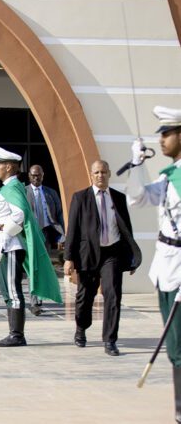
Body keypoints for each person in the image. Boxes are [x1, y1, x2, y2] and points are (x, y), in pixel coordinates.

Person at [126, 105, 181, 421]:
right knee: (174, 343)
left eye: (167, 133)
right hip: (166, 268)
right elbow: (137, 198)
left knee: (179, 344)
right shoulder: (169, 177)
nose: (161, 139)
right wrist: (136, 164)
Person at [0, 146, 61, 347]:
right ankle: (13, 332)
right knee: (6, 291)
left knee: (13, 291)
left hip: (11, 246)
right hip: (1, 245)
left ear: (9, 166)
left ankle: (17, 334)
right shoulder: (5, 189)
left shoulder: (13, 188)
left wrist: (6, 232)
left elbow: (20, 214)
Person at [64, 160, 140, 356]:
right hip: (88, 254)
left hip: (112, 254)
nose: (100, 175)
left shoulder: (119, 198)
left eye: (103, 172)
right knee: (85, 297)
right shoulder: (80, 198)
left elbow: (127, 230)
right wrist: (68, 258)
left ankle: (110, 340)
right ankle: (81, 328)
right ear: (91, 175)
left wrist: (131, 256)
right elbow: (72, 229)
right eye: (97, 172)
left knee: (113, 295)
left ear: (109, 174)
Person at [25, 164, 65, 316]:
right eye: (34, 175)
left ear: (43, 176)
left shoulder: (50, 193)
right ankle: (34, 302)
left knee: (43, 267)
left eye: (39, 175)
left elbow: (59, 214)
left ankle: (39, 298)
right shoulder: (24, 192)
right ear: (29, 176)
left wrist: (62, 235)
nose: (36, 178)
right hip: (30, 234)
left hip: (46, 234)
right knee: (32, 267)